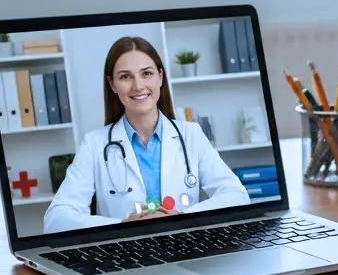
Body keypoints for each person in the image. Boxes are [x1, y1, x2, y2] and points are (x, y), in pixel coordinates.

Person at [44, 36, 249, 233]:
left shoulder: (190, 134)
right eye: (125, 76)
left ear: (160, 76)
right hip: (124, 253)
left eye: (147, 73)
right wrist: (122, 226)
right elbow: (56, 219)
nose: (138, 86)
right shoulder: (94, 144)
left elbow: (236, 196)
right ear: (112, 84)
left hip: (185, 247)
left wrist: (181, 218)